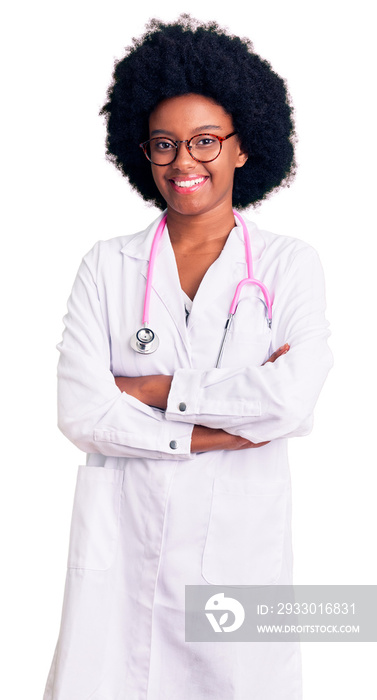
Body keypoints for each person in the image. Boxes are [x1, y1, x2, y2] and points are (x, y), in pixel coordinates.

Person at [43, 15, 333, 700]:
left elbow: (289, 400)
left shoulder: (289, 266)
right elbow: (81, 411)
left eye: (205, 142)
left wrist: (148, 391)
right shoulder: (107, 266)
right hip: (124, 550)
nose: (183, 162)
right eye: (164, 144)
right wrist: (213, 431)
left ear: (242, 148)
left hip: (238, 553)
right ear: (139, 152)